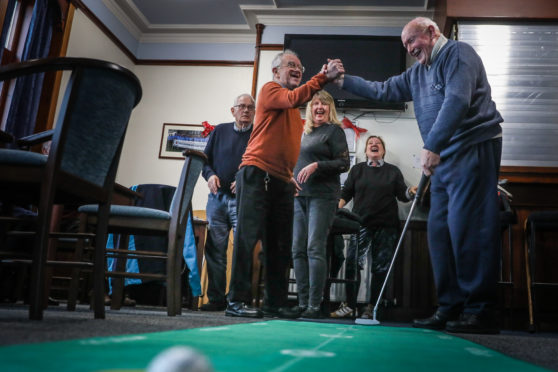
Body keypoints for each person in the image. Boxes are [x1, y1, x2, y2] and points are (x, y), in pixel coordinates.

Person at [329, 17, 503, 333]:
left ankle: (481, 310)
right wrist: (344, 81)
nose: (410, 48)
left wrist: (432, 144)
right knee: (439, 233)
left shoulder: (459, 54)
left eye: (413, 40)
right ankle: (450, 308)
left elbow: (457, 100)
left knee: (468, 229)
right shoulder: (417, 73)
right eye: (406, 45)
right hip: (445, 159)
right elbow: (382, 90)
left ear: (432, 32)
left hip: (472, 147)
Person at [225, 50, 344, 318]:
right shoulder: (271, 90)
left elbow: (283, 144)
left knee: (280, 246)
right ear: (276, 71)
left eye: (300, 67)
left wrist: (288, 172)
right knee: (246, 239)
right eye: (291, 65)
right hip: (256, 174)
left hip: (280, 181)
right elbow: (294, 97)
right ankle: (236, 302)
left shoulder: (292, 110)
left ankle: (274, 303)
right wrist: (323, 76)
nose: (297, 69)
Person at [331, 135, 415, 320]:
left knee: (380, 268)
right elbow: (346, 193)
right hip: (360, 224)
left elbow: (402, 195)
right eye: (370, 143)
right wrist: (333, 210)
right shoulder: (357, 170)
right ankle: (350, 305)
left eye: (378, 143)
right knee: (353, 264)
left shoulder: (393, 171)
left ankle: (371, 306)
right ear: (366, 151)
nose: (374, 145)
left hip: (386, 226)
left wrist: (410, 192)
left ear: (383, 150)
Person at [291, 90, 350, 319]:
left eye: (324, 104)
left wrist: (318, 165)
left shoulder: (334, 131)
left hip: (322, 197)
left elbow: (344, 164)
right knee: (297, 249)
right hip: (299, 196)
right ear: (310, 108)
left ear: (330, 109)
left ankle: (315, 305)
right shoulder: (304, 133)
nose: (319, 107)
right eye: (315, 103)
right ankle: (302, 302)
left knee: (314, 248)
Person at [200, 94, 255, 311]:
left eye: (251, 107)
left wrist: (244, 179)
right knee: (215, 250)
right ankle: (216, 299)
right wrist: (210, 175)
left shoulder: (258, 135)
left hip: (244, 201)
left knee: (242, 250)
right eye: (241, 106)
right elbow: (205, 162)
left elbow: (262, 165)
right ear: (233, 110)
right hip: (217, 199)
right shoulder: (219, 131)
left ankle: (237, 299)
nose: (246, 110)